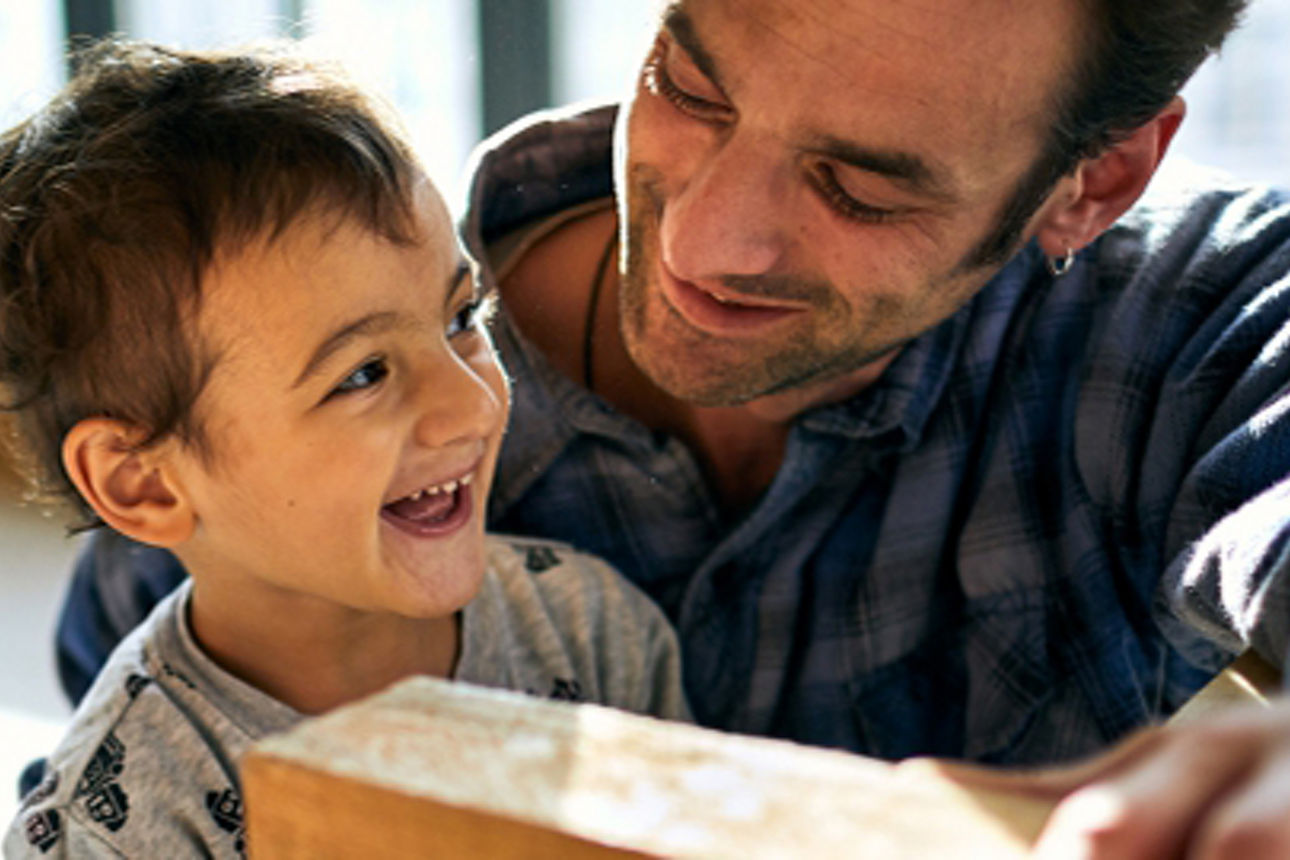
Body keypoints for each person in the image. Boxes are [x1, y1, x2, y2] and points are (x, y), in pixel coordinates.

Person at [51, 0, 1290, 854]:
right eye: (687, 86)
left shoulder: (1196, 328)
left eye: (859, 186)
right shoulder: (218, 368)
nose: (702, 244)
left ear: (1097, 180)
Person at [0, 40, 686, 858]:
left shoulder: (598, 635)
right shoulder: (118, 824)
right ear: (142, 482)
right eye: (362, 374)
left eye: (461, 320)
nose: (468, 405)